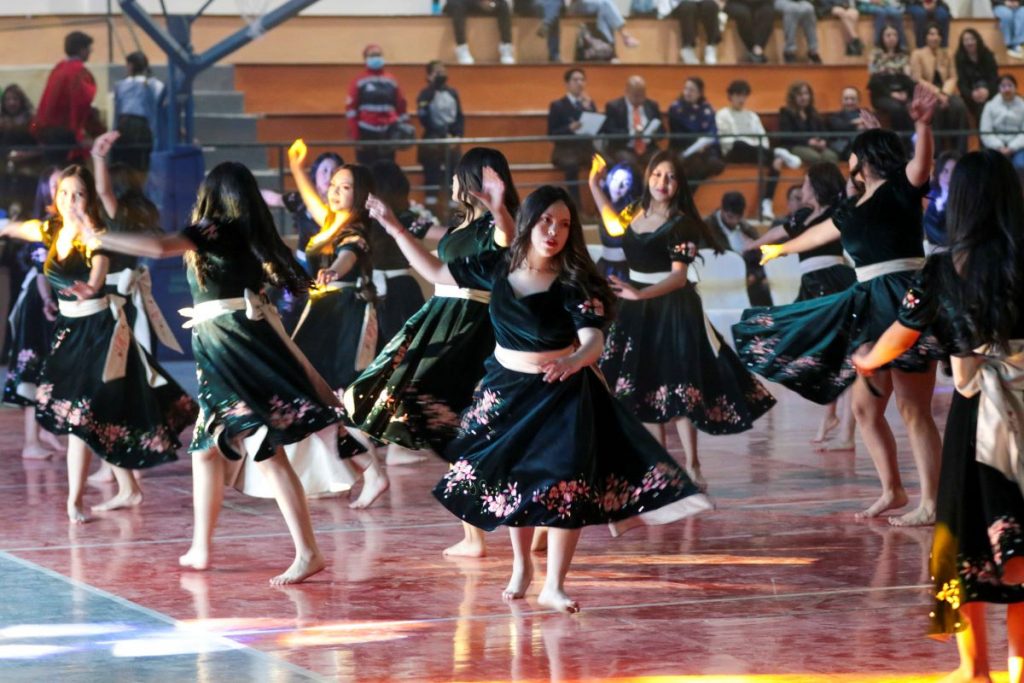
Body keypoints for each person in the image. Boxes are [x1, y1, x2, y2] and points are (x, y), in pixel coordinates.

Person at [371, 183, 712, 613]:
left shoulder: (575, 281)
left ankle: (554, 584)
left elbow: (592, 340)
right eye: (547, 220)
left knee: (565, 481)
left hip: (563, 390)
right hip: (506, 391)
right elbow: (438, 274)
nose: (555, 231)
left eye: (565, 224)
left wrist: (573, 362)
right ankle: (521, 568)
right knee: (518, 482)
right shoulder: (496, 267)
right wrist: (395, 227)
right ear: (530, 222)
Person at [87, 161, 345, 585]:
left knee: (264, 448)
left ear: (213, 196)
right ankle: (202, 547)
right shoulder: (246, 235)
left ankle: (307, 551)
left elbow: (157, 248)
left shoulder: (214, 229)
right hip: (227, 345)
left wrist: (98, 235)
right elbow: (294, 285)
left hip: (231, 348)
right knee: (208, 449)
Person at [735, 85, 945, 526]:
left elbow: (921, 163)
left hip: (905, 297)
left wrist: (922, 124)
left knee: (913, 408)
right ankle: (893, 490)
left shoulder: (901, 188)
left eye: (853, 155)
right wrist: (781, 250)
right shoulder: (851, 206)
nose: (847, 163)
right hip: (868, 303)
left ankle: (932, 501)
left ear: (864, 160)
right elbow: (820, 233)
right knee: (866, 410)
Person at [851, 149, 1024, 683]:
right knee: (1019, 540)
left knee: (963, 535)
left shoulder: (945, 268)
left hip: (977, 418)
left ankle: (974, 668)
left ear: (963, 204)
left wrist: (866, 359)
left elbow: (899, 333)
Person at [343, 147, 518, 558]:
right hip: (440, 316)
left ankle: (503, 527)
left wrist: (498, 205)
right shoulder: (462, 227)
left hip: (471, 327)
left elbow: (508, 240)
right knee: (452, 425)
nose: (452, 183)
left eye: (459, 176)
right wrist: (392, 226)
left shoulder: (497, 224)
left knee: (467, 426)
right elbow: (435, 272)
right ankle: (484, 530)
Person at [0, 165, 197, 523]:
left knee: (80, 418)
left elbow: (96, 279)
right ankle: (128, 489)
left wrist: (89, 289)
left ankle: (73, 501)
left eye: (78, 194)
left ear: (89, 199)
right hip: (69, 334)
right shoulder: (50, 230)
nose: (70, 201)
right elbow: (12, 227)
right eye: (64, 194)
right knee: (99, 417)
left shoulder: (96, 238)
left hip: (99, 333)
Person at [590, 150, 777, 492]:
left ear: (679, 184)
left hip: (671, 308)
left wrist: (640, 294)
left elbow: (678, 278)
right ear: (648, 177)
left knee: (678, 389)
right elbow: (614, 226)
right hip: (636, 307)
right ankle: (661, 466)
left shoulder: (683, 223)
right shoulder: (635, 211)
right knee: (640, 389)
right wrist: (594, 186)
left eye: (671, 177)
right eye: (658, 174)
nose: (663, 182)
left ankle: (692, 465)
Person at [286, 141, 388, 510]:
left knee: (340, 395)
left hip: (344, 311)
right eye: (334, 185)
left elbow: (348, 256)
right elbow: (313, 202)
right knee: (314, 395)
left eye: (345, 187)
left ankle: (373, 471)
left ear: (359, 195)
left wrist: (333, 270)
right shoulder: (330, 222)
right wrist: (297, 169)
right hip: (323, 311)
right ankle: (352, 468)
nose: (335, 191)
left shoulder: (355, 229)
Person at [747, 162, 858, 450]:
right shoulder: (804, 215)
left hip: (834, 281)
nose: (803, 188)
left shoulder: (838, 209)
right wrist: (751, 245)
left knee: (844, 353)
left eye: (807, 182)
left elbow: (852, 185)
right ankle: (830, 417)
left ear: (818, 185)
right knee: (824, 351)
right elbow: (778, 233)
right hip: (812, 284)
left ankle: (843, 429)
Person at [2, 167, 63, 460]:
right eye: (57, 186)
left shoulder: (69, 224)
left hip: (57, 302)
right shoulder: (46, 225)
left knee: (51, 370)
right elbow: (41, 270)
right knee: (33, 367)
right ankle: (31, 441)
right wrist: (46, 299)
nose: (63, 191)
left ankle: (44, 430)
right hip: (40, 305)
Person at [716, 80, 802, 221]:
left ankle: (766, 203)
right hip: (733, 152)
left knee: (776, 161)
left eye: (744, 96)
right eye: (738, 95)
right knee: (739, 143)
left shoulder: (752, 116)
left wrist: (761, 148)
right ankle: (777, 152)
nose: (741, 99)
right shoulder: (722, 114)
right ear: (730, 97)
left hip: (755, 153)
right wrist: (755, 145)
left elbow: (762, 138)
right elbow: (727, 141)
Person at [367, 160, 430, 344]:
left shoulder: (402, 218)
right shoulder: (405, 218)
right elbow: (438, 232)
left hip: (377, 290)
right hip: (399, 289)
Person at [263, 151, 344, 275]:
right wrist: (248, 190)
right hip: (304, 263)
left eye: (334, 171)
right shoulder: (301, 199)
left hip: (334, 266)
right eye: (325, 170)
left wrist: (297, 169)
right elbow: (275, 198)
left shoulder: (343, 205)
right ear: (315, 173)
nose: (328, 176)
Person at [31, 31, 100, 165]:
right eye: (89, 49)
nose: (90, 52)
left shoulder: (58, 68)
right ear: (82, 49)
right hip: (66, 135)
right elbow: (80, 103)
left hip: (50, 134)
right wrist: (79, 134)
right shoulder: (78, 72)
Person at [703, 191, 773, 307]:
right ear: (722, 210)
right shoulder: (706, 229)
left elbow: (763, 258)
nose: (734, 221)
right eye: (730, 217)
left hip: (747, 283)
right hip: (718, 282)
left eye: (738, 218)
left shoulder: (747, 229)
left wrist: (754, 276)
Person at [911, 23, 970, 154]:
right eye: (931, 34)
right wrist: (938, 94)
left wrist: (945, 93)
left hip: (947, 92)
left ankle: (960, 151)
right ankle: (936, 152)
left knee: (959, 106)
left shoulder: (947, 53)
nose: (935, 37)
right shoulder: (917, 54)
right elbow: (918, 79)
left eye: (937, 34)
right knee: (933, 108)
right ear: (926, 37)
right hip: (927, 93)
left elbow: (953, 76)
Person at [346, 45, 408, 166]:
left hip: (389, 132)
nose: (376, 58)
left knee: (387, 169)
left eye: (378, 55)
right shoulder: (359, 81)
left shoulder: (391, 80)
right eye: (372, 55)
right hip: (366, 132)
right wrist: (356, 136)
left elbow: (401, 106)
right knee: (366, 171)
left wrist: (403, 128)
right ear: (365, 59)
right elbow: (351, 110)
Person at [417, 60, 464, 211]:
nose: (441, 74)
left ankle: (454, 204)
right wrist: (441, 134)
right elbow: (424, 118)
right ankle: (431, 203)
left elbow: (459, 116)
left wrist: (457, 135)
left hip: (451, 139)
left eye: (443, 71)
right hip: (433, 137)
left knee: (455, 168)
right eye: (437, 72)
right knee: (431, 168)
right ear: (429, 75)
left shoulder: (452, 93)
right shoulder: (425, 94)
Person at [548, 68, 597, 207]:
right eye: (575, 80)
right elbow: (552, 134)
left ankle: (602, 209)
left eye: (582, 80)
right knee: (572, 167)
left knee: (606, 163)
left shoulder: (589, 104)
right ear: (567, 84)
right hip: (566, 150)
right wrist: (569, 128)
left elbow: (596, 125)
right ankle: (577, 210)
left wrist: (589, 109)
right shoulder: (557, 105)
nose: (579, 83)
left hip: (586, 148)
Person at [110, 51, 164, 178]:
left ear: (130, 66)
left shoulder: (121, 85)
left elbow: (117, 111)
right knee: (141, 164)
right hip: (144, 128)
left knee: (122, 164)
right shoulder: (155, 85)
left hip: (124, 127)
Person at [536, 0, 640, 63]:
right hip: (574, 6)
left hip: (590, 3)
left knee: (605, 6)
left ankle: (615, 44)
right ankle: (621, 39)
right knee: (605, 4)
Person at [667, 77, 724, 182]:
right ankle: (687, 195)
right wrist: (696, 144)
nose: (688, 93)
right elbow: (677, 134)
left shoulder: (706, 108)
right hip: (683, 148)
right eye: (686, 89)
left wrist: (705, 144)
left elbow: (712, 131)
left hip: (704, 149)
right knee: (695, 165)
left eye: (692, 90)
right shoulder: (676, 108)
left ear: (700, 93)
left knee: (717, 164)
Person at [601, 75, 663, 168]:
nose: (640, 98)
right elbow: (610, 132)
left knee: (662, 160)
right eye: (636, 95)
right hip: (623, 147)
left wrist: (654, 133)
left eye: (642, 94)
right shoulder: (614, 107)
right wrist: (631, 134)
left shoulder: (652, 105)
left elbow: (662, 131)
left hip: (648, 148)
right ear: (627, 92)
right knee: (630, 163)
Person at [593, 161, 639, 281]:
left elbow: (615, 228)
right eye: (615, 180)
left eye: (625, 183)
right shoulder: (604, 200)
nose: (618, 187)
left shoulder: (633, 207)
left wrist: (593, 184)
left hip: (625, 268)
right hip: (605, 265)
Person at [868, 24, 916, 133]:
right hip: (882, 93)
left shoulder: (903, 54)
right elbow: (874, 79)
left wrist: (905, 93)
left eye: (895, 35)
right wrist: (891, 94)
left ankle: (913, 141)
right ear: (882, 38)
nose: (892, 38)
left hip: (901, 90)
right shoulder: (875, 55)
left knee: (913, 107)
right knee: (897, 108)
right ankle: (900, 141)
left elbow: (908, 78)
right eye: (888, 35)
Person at [778, 81, 840, 165]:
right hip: (795, 145)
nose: (804, 97)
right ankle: (815, 178)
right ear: (793, 97)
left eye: (806, 94)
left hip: (815, 145)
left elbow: (823, 130)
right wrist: (808, 142)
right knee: (814, 157)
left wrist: (823, 141)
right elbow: (787, 135)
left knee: (831, 156)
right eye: (800, 94)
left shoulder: (812, 112)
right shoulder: (786, 112)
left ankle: (830, 178)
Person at [446, 0, 516, 65]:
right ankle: (462, 47)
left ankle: (506, 47)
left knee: (503, 5)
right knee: (457, 4)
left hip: (482, 3)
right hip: (461, 2)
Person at [980, 74, 1024, 174]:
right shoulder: (990, 106)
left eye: (1010, 85)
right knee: (991, 166)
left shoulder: (1023, 105)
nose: (1007, 89)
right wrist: (999, 147)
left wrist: (1012, 147)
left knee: (1021, 165)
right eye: (1003, 86)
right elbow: (985, 132)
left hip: (1019, 147)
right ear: (999, 89)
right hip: (995, 147)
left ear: (1015, 88)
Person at [954, 28, 999, 123]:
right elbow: (961, 83)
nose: (970, 43)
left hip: (989, 90)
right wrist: (972, 94)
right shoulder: (959, 58)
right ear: (962, 43)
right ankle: (983, 136)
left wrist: (987, 91)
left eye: (972, 39)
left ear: (978, 40)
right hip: (971, 94)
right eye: (966, 40)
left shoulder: (987, 54)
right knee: (980, 108)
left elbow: (994, 77)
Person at [660, 0, 722, 64]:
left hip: (701, 4)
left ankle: (711, 46)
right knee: (688, 6)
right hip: (680, 5)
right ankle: (687, 48)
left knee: (710, 5)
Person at [922, 151, 957, 250]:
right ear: (938, 173)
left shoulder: (965, 198)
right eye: (945, 171)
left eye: (954, 172)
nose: (949, 177)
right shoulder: (933, 196)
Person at [826, 86, 870, 160]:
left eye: (853, 99)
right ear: (841, 100)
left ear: (858, 100)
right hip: (847, 149)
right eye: (846, 99)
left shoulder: (866, 114)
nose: (849, 102)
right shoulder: (835, 117)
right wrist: (855, 124)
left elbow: (875, 127)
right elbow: (839, 127)